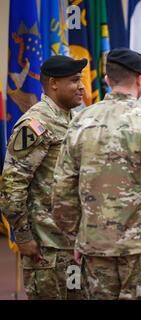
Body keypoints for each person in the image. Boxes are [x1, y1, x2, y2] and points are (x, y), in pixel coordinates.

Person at [51, 48, 141, 300]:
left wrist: (77, 237)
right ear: (140, 80)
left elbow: (62, 187)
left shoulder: (81, 120)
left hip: (95, 246)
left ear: (108, 80)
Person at [0, 55, 88, 299]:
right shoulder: (35, 124)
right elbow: (11, 186)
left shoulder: (72, 120)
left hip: (73, 243)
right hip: (46, 246)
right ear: (53, 84)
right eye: (74, 80)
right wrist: (24, 237)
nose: (82, 86)